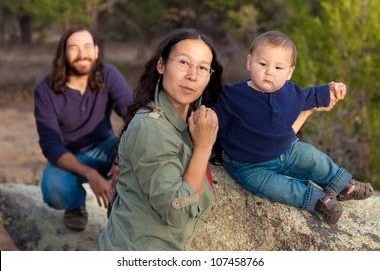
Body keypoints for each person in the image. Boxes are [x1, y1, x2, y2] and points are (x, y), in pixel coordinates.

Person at [212, 30, 373, 225]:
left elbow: (312, 96)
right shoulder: (233, 96)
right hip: (248, 165)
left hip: (287, 150)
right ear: (249, 62)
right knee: (278, 188)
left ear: (289, 72)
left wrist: (332, 90)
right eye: (262, 64)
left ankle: (342, 185)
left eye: (279, 67)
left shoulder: (291, 92)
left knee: (312, 157)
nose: (269, 71)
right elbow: (214, 121)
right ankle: (320, 200)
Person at [98, 28, 223, 250]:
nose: (192, 75)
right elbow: (178, 211)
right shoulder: (151, 127)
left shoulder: (190, 121)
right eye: (183, 62)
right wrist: (203, 148)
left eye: (202, 67)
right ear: (161, 65)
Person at [34, 25, 133, 231]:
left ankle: (126, 205)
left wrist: (120, 158)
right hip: (68, 155)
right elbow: (50, 145)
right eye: (74, 48)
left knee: (140, 147)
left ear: (96, 51)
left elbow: (133, 115)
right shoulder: (45, 90)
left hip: (105, 149)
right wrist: (90, 174)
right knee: (54, 191)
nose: (82, 54)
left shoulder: (109, 74)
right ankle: (76, 204)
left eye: (87, 46)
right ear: (64, 53)